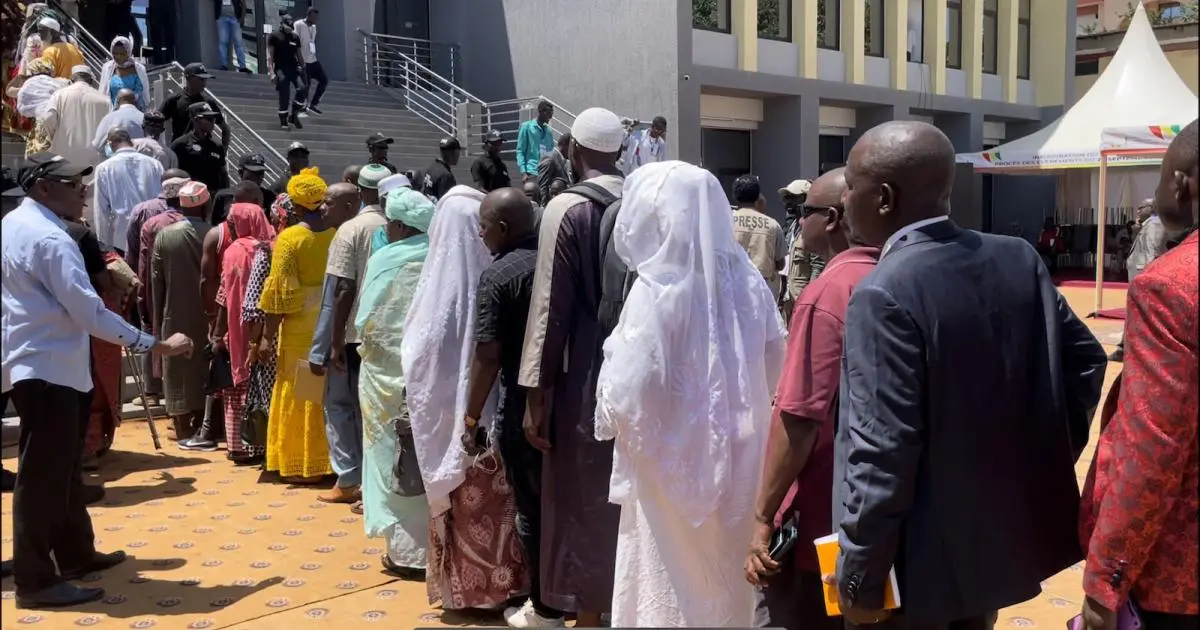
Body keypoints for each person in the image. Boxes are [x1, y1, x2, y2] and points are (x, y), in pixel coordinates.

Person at [830, 121, 1108, 626]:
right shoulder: (1015, 257)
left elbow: (881, 450)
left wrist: (859, 577)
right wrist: (1030, 462)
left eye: (851, 185)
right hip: (989, 552)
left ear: (885, 198)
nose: (844, 198)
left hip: (913, 572)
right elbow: (1086, 364)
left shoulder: (882, 292)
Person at [596, 160, 786, 627]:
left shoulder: (658, 289)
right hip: (743, 453)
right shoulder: (749, 282)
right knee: (725, 573)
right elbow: (775, 361)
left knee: (670, 577)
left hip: (664, 464)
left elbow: (627, 391)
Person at [2, 152, 192, 609]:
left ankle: (74, 554)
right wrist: (155, 344)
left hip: (44, 364)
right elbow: (88, 311)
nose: (83, 192)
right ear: (44, 188)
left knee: (63, 470)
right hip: (49, 367)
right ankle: (35, 579)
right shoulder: (50, 237)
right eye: (73, 184)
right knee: (44, 477)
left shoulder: (14, 224)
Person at [1078, 119, 1198, 630]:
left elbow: (1152, 448)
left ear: (1182, 182)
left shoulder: (1172, 286)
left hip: (1178, 576)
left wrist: (1106, 581)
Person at [744, 168, 876, 630]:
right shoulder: (903, 275)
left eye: (806, 213)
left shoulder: (829, 293)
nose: (799, 223)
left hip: (820, 509)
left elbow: (799, 417)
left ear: (833, 218)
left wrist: (764, 517)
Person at [516, 107, 627, 628]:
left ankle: (588, 613)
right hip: (640, 366)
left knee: (584, 493)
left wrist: (535, 398)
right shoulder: (644, 198)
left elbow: (548, 310)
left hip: (585, 372)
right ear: (622, 153)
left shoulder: (566, 208)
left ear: (572, 152)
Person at [401, 184, 530, 609]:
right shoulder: (508, 272)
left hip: (466, 426)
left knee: (468, 507)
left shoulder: (444, 293)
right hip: (502, 418)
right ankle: (509, 588)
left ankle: (471, 594)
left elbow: (425, 362)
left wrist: (465, 419)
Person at [465, 187, 557, 623]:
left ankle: (544, 603)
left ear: (502, 228)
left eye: (483, 227)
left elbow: (488, 355)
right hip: (570, 401)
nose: (480, 236)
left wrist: (469, 418)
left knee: (531, 508)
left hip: (522, 407)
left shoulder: (498, 275)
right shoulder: (562, 261)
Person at [356, 185, 437, 579]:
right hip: (427, 380)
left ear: (401, 226)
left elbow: (366, 324)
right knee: (424, 459)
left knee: (391, 458)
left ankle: (406, 555)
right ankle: (433, 554)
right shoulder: (442, 258)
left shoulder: (384, 260)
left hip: (382, 381)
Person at [258, 171, 350, 483]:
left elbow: (278, 296)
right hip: (333, 321)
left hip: (298, 325)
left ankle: (304, 465)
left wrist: (266, 337)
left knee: (300, 392)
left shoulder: (290, 238)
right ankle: (332, 461)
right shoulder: (339, 232)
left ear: (296, 206)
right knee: (329, 393)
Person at [306, 166, 384, 503]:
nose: (322, 209)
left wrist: (324, 347)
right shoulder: (395, 226)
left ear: (352, 203)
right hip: (383, 338)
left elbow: (336, 294)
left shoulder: (349, 231)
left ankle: (349, 478)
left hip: (350, 338)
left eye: (328, 203)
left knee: (339, 407)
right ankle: (372, 482)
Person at [214, 201, 276, 463]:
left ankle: (239, 445)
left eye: (233, 220)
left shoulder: (232, 251)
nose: (230, 224)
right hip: (267, 328)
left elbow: (224, 294)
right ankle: (266, 445)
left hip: (238, 328)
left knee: (238, 387)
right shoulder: (272, 247)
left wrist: (217, 332)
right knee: (266, 384)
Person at [152, 181, 214, 442]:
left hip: (174, 311)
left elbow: (156, 282)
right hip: (211, 314)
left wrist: (156, 316)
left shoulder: (165, 235)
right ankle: (205, 420)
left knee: (177, 365)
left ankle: (180, 423)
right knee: (205, 364)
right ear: (205, 204)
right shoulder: (215, 233)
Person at [125, 172, 190, 409]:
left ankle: (151, 392)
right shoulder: (193, 219)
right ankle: (179, 391)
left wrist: (136, 286)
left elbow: (135, 253)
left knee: (151, 328)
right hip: (185, 285)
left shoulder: (146, 214)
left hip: (153, 285)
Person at [1109, 198, 1166, 363]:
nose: (1138, 211)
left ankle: (1128, 349)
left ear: (1152, 208)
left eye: (1141, 208)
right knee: (1133, 311)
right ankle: (1124, 347)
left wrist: (1147, 277)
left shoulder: (1155, 224)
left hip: (1142, 276)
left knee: (1139, 312)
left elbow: (1152, 252)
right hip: (1138, 274)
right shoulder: (1148, 224)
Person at [92, 127, 163, 255]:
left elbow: (101, 210)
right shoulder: (154, 164)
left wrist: (102, 242)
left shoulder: (104, 168)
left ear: (110, 143)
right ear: (130, 142)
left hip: (122, 238)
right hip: (154, 232)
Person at [44, 66, 110, 175]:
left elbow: (48, 118)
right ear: (91, 80)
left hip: (64, 151)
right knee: (89, 188)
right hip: (93, 155)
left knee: (65, 186)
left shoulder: (59, 95)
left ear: (72, 79)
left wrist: (53, 136)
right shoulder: (105, 100)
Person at [731, 174, 787, 300]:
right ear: (758, 196)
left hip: (732, 287)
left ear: (735, 197)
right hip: (762, 290)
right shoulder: (773, 225)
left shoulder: (726, 221)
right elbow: (781, 264)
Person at [778, 179, 823, 305]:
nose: (787, 202)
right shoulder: (792, 227)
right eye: (786, 198)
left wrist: (810, 300)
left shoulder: (813, 229)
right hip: (788, 298)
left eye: (792, 197)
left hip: (802, 299)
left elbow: (817, 266)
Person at [160, 63, 231, 142]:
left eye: (205, 80)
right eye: (201, 79)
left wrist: (223, 150)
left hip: (203, 151)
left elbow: (225, 128)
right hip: (181, 151)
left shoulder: (208, 102)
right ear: (188, 78)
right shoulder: (173, 100)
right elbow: (156, 122)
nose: (204, 83)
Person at [12, 58, 67, 157]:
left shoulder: (30, 83)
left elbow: (22, 107)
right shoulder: (57, 82)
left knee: (37, 154)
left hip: (41, 122)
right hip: (60, 122)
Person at [171, 102, 228, 193]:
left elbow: (223, 174)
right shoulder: (180, 144)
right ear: (195, 120)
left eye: (213, 119)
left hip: (212, 197)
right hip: (189, 196)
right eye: (208, 119)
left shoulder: (217, 145)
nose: (213, 122)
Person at [211, 153, 277, 225]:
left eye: (261, 173)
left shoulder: (270, 198)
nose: (258, 177)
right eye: (253, 172)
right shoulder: (223, 197)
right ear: (240, 172)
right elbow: (215, 225)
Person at [267, 13, 306, 130]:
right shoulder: (274, 36)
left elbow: (299, 55)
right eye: (287, 27)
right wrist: (271, 73)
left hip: (293, 68)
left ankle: (293, 114)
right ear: (282, 24)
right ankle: (283, 119)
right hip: (280, 69)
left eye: (291, 28)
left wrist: (303, 67)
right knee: (285, 94)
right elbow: (270, 56)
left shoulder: (295, 37)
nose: (289, 30)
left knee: (302, 89)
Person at [97, 36, 150, 110]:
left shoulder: (139, 69)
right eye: (115, 53)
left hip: (135, 111)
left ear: (128, 52)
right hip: (112, 112)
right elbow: (103, 92)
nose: (118, 57)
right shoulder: (107, 68)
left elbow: (143, 94)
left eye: (122, 54)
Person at [294, 7, 326, 116]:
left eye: (317, 17)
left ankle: (314, 104)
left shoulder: (314, 28)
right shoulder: (299, 25)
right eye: (314, 16)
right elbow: (295, 42)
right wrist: (297, 61)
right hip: (303, 60)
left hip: (313, 60)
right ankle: (302, 108)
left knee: (324, 80)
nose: (315, 19)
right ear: (308, 15)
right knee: (306, 85)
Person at [91, 89, 144, 153]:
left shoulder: (109, 118)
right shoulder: (144, 117)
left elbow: (97, 144)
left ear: (118, 100)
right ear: (135, 101)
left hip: (116, 160)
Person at [517, 100, 555, 183]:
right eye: (548, 114)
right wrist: (524, 172)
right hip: (532, 172)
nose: (550, 116)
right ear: (540, 112)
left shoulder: (548, 131)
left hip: (547, 172)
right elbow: (520, 150)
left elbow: (551, 150)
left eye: (551, 114)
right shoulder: (526, 127)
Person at [214, 0, 250, 73]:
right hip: (222, 18)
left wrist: (242, 18)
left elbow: (243, 4)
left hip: (235, 18)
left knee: (238, 42)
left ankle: (242, 66)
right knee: (222, 41)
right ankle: (224, 65)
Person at [420, 137, 459, 201]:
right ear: (451, 153)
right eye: (457, 152)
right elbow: (446, 202)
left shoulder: (431, 167)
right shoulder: (445, 175)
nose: (458, 155)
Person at [537, 131, 571, 201]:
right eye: (572, 147)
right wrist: (544, 208)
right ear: (565, 144)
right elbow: (542, 186)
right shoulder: (549, 158)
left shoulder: (563, 160)